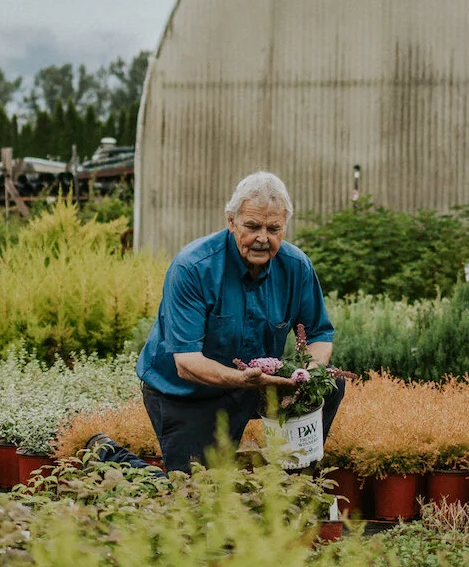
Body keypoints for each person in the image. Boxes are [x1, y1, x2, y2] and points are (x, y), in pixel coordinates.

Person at [137, 171, 345, 472]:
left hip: (253, 383)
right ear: (231, 221)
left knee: (332, 383)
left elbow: (319, 334)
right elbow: (187, 362)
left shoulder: (296, 266)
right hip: (188, 391)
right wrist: (241, 380)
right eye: (252, 226)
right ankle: (110, 455)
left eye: (274, 228)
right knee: (196, 491)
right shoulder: (193, 267)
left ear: (285, 225)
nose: (263, 238)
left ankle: (293, 478)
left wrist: (308, 374)